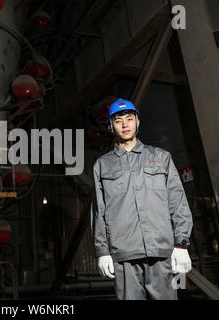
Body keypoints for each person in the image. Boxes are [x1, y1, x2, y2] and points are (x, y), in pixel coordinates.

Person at [91, 98, 193, 300]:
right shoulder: (102, 165)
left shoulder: (160, 157)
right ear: (111, 127)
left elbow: (177, 201)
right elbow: (98, 212)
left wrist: (181, 243)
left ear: (138, 121)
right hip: (124, 255)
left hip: (160, 252)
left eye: (129, 118)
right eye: (118, 120)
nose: (125, 124)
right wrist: (102, 251)